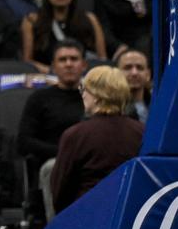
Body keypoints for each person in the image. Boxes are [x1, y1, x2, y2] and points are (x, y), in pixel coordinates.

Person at [50, 66, 144, 215]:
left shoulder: (75, 135)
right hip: (130, 215)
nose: (83, 95)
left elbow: (60, 190)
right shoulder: (142, 132)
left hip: (86, 216)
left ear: (97, 96)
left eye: (84, 90)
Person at [17, 40, 87, 207]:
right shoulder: (39, 99)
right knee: (52, 167)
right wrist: (64, 154)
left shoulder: (93, 97)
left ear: (84, 65)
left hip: (88, 160)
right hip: (54, 163)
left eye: (74, 59)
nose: (69, 64)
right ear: (53, 67)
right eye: (62, 60)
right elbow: (24, 142)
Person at [21, 0, 106, 72]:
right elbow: (27, 62)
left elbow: (102, 60)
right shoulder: (32, 21)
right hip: (46, 78)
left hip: (83, 79)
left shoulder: (90, 19)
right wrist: (52, 71)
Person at [117, 48, 151, 122]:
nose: (134, 73)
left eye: (140, 68)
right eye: (128, 68)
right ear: (116, 73)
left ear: (148, 74)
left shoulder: (159, 106)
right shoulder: (108, 109)